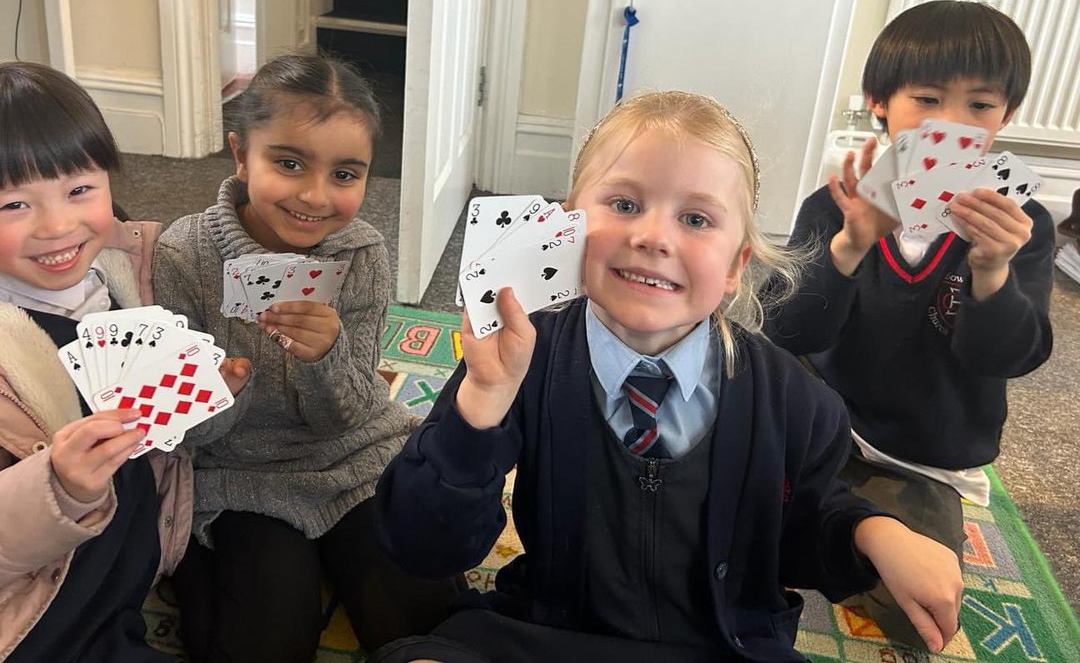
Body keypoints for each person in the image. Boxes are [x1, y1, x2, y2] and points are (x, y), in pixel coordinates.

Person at [371, 90, 963, 663]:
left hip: (723, 645)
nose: (653, 236)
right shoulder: (517, 361)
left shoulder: (795, 402)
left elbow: (801, 533)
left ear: (736, 265)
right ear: (567, 228)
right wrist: (482, 404)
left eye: (697, 218)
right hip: (550, 632)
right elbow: (423, 546)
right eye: (624, 205)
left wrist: (876, 532)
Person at [0, 62, 207, 662]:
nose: (58, 226)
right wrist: (53, 486)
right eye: (14, 205)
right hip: (6, 628)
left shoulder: (135, 274)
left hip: (112, 598)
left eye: (80, 190)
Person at [765, 1, 1054, 649]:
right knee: (713, 489)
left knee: (917, 614)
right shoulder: (835, 204)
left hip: (923, 454)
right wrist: (847, 249)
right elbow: (788, 332)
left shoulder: (1017, 224)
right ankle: (832, 516)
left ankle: (844, 522)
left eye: (979, 106)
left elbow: (1008, 356)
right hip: (824, 422)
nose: (950, 123)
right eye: (926, 98)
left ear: (1005, 116)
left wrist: (992, 273)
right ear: (879, 102)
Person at [155, 54, 460, 663]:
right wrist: (221, 392)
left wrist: (327, 356)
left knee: (425, 620)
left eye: (346, 174)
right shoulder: (182, 254)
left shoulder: (361, 252)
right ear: (241, 155)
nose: (316, 196)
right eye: (289, 163)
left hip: (352, 456)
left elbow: (352, 415)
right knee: (265, 631)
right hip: (241, 474)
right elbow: (185, 436)